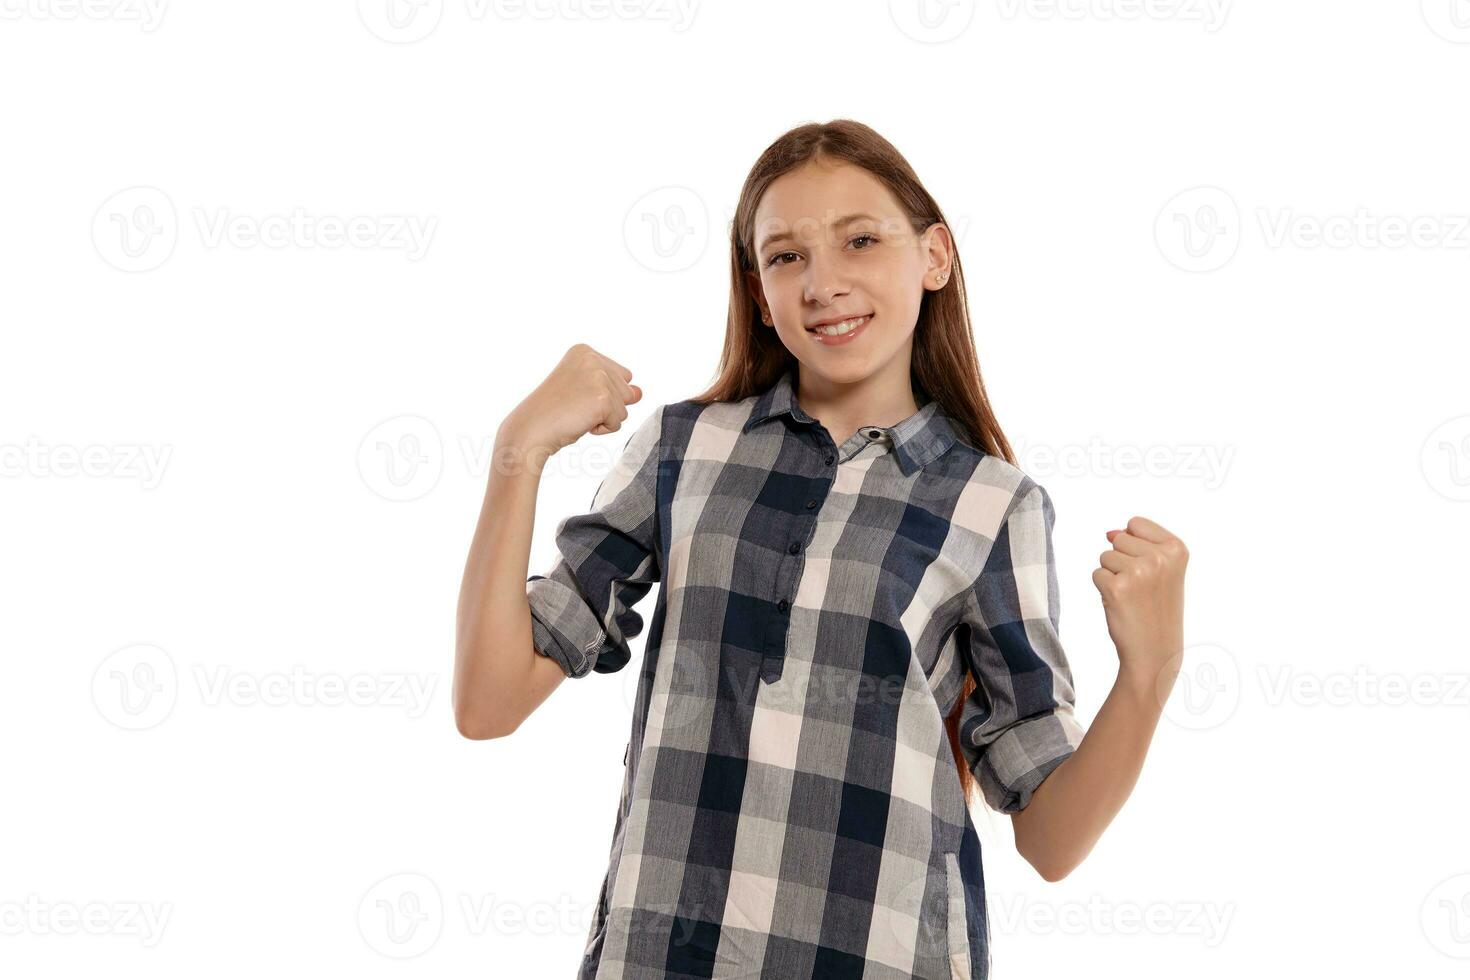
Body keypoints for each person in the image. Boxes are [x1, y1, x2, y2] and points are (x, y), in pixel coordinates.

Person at [454, 119, 1189, 980]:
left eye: (861, 240)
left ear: (935, 257)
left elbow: (1053, 841)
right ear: (759, 292)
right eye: (786, 256)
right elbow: (488, 703)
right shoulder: (685, 449)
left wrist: (1150, 671)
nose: (823, 284)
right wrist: (518, 451)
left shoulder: (994, 506)